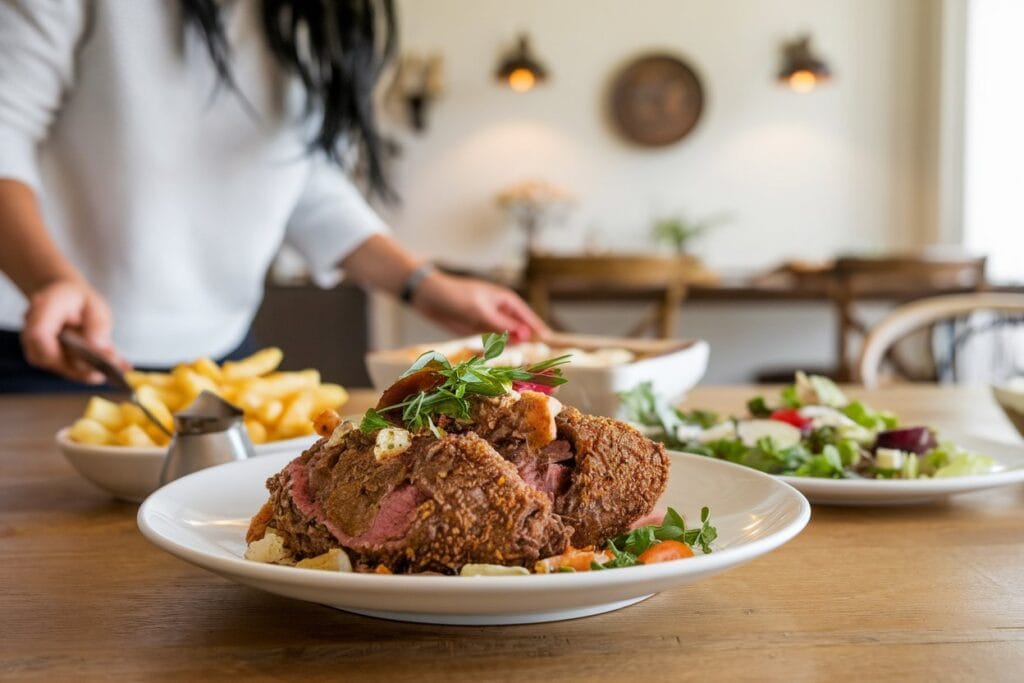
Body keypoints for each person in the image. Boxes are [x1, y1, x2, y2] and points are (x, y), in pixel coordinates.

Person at [0, 0, 546, 391]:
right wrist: (50, 280)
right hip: (46, 351)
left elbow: (303, 178)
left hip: (218, 357)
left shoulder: (309, 20)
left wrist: (423, 285)